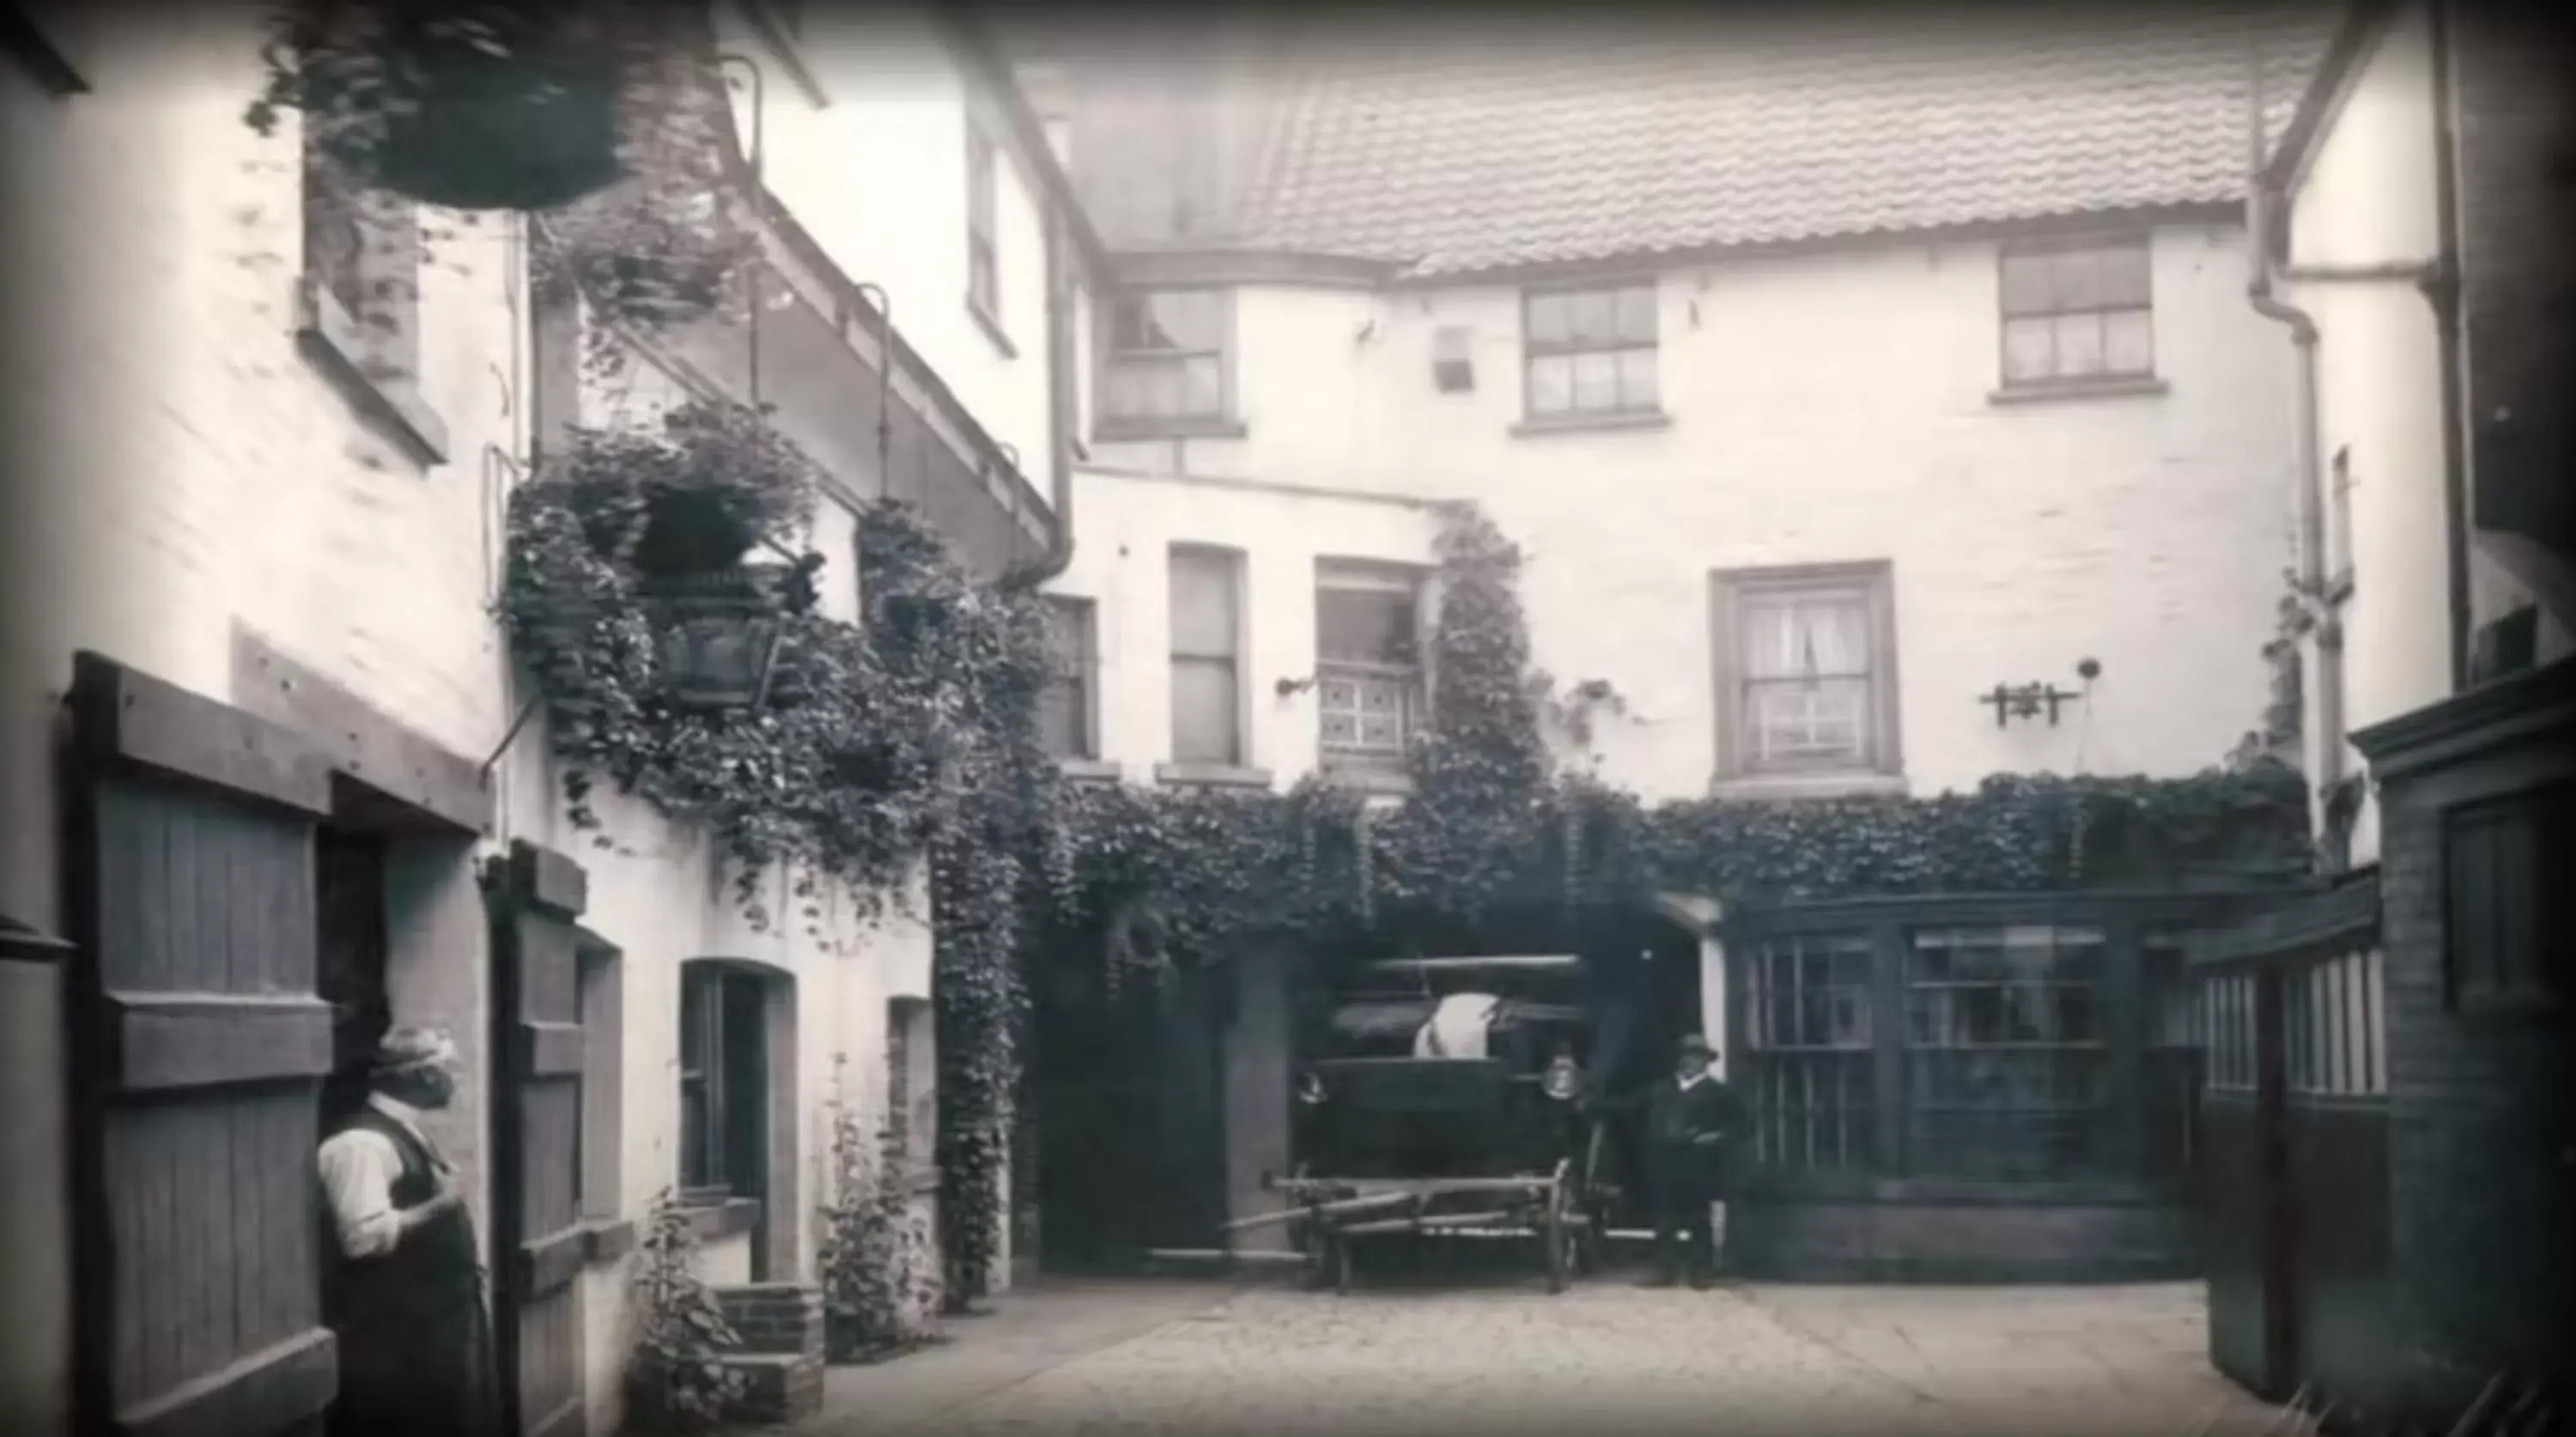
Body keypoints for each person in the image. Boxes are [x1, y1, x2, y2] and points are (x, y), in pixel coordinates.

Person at [316, 1026, 500, 1437]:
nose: (456, 1078)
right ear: (425, 1076)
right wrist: (441, 1204)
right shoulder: (360, 1143)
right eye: (451, 1067)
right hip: (394, 1337)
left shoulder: (407, 1132)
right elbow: (361, 1238)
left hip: (430, 1329)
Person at [1588, 1033, 1741, 1288]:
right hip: (1663, 1160)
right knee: (1664, 1217)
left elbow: (1740, 1125)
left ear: (1706, 1061)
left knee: (1698, 1217)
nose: (1690, 1062)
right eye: (1686, 1056)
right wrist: (1593, 1104)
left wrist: (1716, 1137)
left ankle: (1700, 1271)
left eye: (1696, 1057)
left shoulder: (1720, 1093)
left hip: (1698, 1161)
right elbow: (1628, 1107)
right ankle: (1664, 1270)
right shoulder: (1661, 1089)